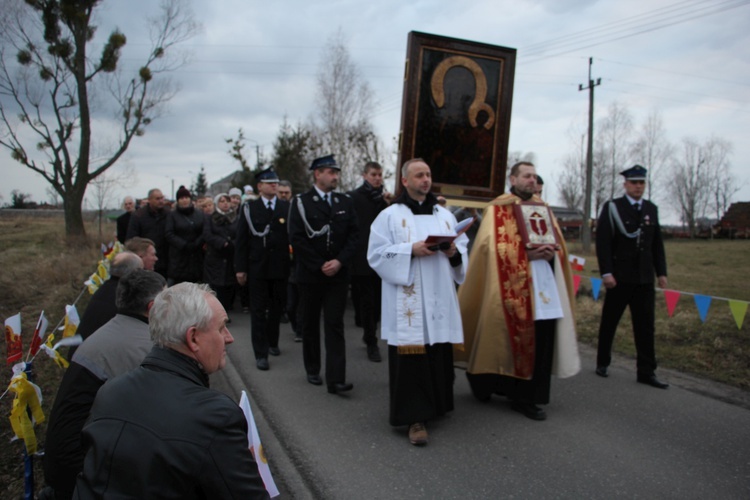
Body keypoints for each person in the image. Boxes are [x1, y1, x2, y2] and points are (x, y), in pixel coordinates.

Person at [73, 282, 269, 499]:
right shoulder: (214, 417)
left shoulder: (110, 392)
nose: (229, 338)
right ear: (193, 338)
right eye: (222, 327)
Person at [456, 161, 580, 421]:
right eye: (526, 176)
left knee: (541, 339)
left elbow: (558, 244)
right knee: (499, 336)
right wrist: (528, 253)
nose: (532, 180)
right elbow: (492, 249)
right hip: (507, 285)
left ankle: (527, 397)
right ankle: (485, 383)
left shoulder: (543, 209)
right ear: (512, 179)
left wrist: (551, 254)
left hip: (544, 284)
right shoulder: (499, 209)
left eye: (534, 176)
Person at [367, 158, 468, 445]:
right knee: (412, 359)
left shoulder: (445, 216)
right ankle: (414, 419)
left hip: (438, 296)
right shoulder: (389, 215)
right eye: (419, 175)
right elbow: (375, 255)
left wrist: (452, 253)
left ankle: (437, 406)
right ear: (405, 181)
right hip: (408, 298)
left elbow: (461, 253)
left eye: (428, 174)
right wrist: (411, 249)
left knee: (437, 352)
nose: (425, 180)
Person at [44, 270, 166, 500]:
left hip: (61, 462)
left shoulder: (106, 332)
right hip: (84, 473)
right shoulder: (147, 349)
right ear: (152, 308)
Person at [289, 154, 359, 394]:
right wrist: (319, 264)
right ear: (317, 174)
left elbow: (354, 236)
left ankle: (336, 378)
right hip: (311, 274)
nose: (335, 176)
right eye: (331, 172)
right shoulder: (301, 202)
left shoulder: (344, 202)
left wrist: (339, 261)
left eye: (336, 172)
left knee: (334, 325)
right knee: (309, 322)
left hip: (338, 275)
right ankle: (312, 367)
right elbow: (297, 237)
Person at [595, 164, 669, 389]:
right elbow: (604, 243)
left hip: (644, 278)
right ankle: (603, 362)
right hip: (619, 277)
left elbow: (657, 244)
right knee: (610, 321)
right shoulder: (612, 208)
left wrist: (661, 272)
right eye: (634, 183)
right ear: (625, 184)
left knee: (646, 327)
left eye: (642, 183)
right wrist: (606, 272)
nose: (638, 187)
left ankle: (646, 371)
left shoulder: (651, 209)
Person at [235, 167, 290, 370]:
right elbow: (241, 240)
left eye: (275, 181)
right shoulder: (249, 208)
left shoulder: (286, 207)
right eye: (269, 182)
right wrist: (240, 268)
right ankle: (261, 353)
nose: (274, 185)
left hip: (280, 267)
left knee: (277, 307)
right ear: (260, 186)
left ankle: (272, 341)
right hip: (257, 266)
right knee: (258, 311)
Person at [348, 161, 389, 362]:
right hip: (362, 258)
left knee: (379, 305)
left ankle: (370, 333)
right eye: (373, 174)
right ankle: (371, 342)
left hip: (383, 258)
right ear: (365, 175)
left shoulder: (385, 200)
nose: (377, 178)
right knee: (367, 303)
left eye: (380, 175)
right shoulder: (354, 197)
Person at [203, 193, 239, 312]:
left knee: (229, 285)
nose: (225, 203)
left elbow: (239, 234)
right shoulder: (211, 218)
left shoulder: (235, 218)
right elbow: (208, 234)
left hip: (231, 255)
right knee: (216, 285)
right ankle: (216, 310)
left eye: (227, 201)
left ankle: (226, 309)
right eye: (222, 201)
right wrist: (221, 242)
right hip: (216, 255)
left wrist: (231, 243)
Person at [165, 185, 205, 284]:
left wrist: (197, 243)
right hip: (179, 257)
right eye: (181, 198)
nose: (184, 200)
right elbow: (169, 233)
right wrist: (184, 245)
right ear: (178, 200)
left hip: (197, 256)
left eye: (186, 197)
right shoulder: (172, 215)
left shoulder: (199, 214)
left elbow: (205, 230)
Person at [126, 188, 169, 278]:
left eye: (162, 198)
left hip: (165, 260)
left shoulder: (168, 214)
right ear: (149, 200)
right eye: (157, 199)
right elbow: (131, 239)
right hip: (146, 262)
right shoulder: (138, 216)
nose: (161, 201)